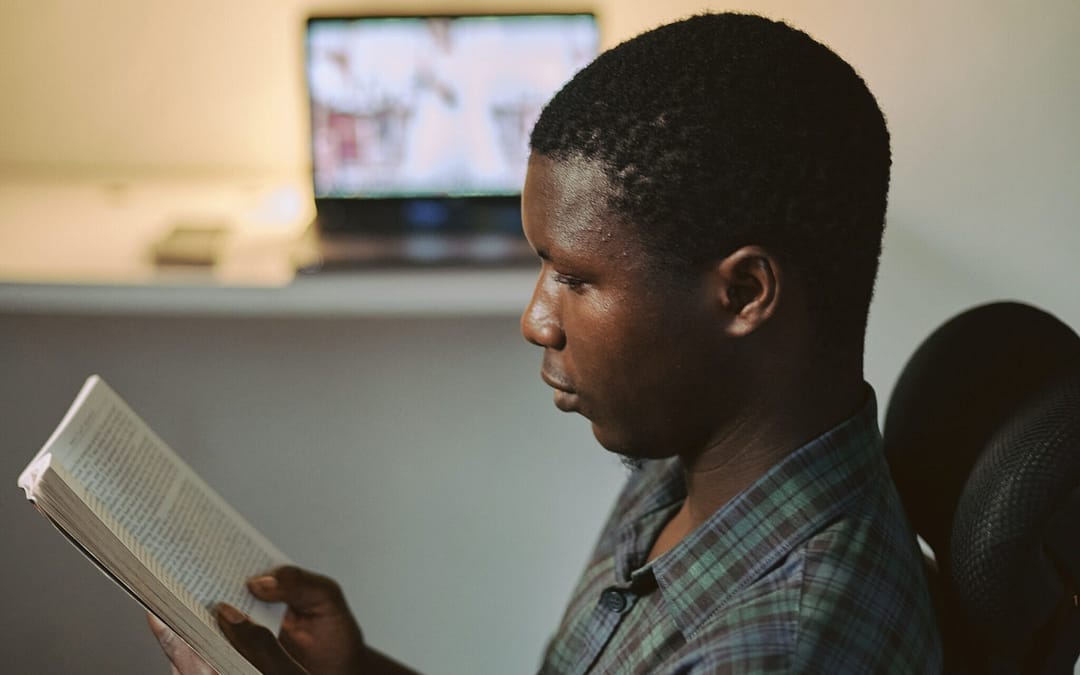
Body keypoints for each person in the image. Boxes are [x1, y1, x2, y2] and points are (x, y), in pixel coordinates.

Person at [149, 12, 942, 674]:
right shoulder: (693, 461)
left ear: (743, 294)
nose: (537, 318)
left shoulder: (775, 649)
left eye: (576, 277)